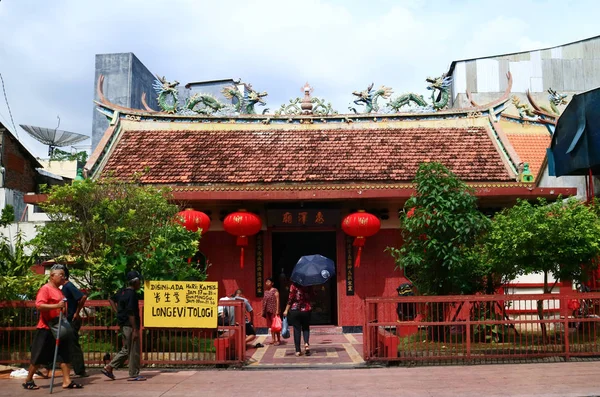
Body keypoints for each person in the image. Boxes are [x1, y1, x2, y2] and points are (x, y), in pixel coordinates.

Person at [22, 265, 83, 390]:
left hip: (60, 325)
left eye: (63, 275)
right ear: (52, 276)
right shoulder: (45, 289)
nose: (63, 277)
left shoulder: (59, 290)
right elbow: (39, 305)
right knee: (38, 355)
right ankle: (28, 380)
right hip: (46, 327)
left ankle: (67, 381)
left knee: (65, 353)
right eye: (60, 275)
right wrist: (56, 306)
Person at [101, 271, 145, 382]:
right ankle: (133, 374)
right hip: (130, 325)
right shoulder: (132, 294)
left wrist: (118, 312)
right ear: (135, 282)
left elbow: (111, 299)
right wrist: (135, 329)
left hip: (123, 324)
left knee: (126, 349)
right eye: (139, 280)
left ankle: (109, 368)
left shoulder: (122, 292)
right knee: (133, 350)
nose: (140, 283)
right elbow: (131, 312)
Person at [58, 265, 89, 377]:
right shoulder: (63, 288)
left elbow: (83, 297)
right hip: (66, 319)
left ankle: (80, 369)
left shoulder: (69, 286)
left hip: (71, 319)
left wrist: (77, 312)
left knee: (73, 344)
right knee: (62, 343)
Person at [283, 282, 312, 357]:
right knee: (306, 328)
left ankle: (298, 351)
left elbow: (290, 298)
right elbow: (312, 295)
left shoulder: (293, 285)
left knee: (297, 330)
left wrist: (286, 310)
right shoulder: (308, 284)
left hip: (295, 309)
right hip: (306, 309)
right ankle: (306, 343)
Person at [261, 277, 280, 345]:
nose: (267, 283)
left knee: (276, 325)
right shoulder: (265, 292)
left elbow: (277, 300)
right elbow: (264, 302)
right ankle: (273, 339)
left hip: (274, 310)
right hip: (268, 310)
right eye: (266, 282)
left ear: (272, 283)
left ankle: (278, 339)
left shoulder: (275, 290)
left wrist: (277, 310)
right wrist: (262, 311)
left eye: (269, 282)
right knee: (271, 325)